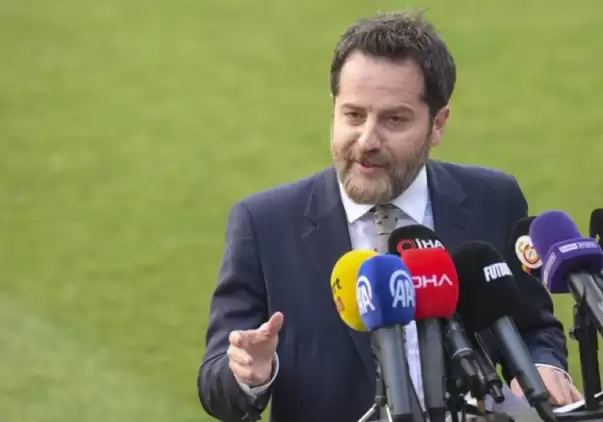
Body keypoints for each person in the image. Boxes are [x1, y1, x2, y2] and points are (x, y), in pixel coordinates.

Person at [197, 10, 581, 422]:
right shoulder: (265, 224)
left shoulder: (494, 200)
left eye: (394, 119)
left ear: (438, 124)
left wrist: (543, 367)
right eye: (353, 115)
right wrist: (250, 373)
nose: (367, 141)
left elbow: (533, 326)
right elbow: (216, 385)